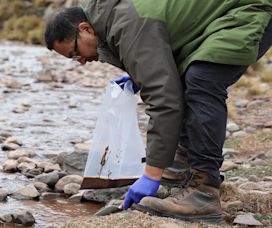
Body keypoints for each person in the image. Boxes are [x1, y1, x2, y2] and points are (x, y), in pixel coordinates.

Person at [44, 0, 272, 224]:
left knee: (202, 79)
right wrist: (139, 73)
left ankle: (203, 192)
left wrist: (151, 176)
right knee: (182, 78)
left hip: (248, 9)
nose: (81, 62)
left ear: (85, 28)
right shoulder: (111, 18)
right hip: (220, 17)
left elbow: (164, 102)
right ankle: (181, 169)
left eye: (75, 53)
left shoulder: (125, 25)